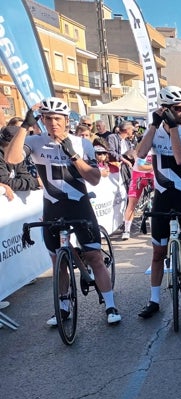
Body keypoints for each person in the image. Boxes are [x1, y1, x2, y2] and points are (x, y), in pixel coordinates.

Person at [4, 97, 122, 324]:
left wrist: (73, 155)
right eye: (47, 118)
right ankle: (63, 306)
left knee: (95, 257)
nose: (53, 123)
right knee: (58, 261)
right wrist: (25, 125)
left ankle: (110, 305)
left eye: (57, 118)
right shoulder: (36, 141)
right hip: (53, 209)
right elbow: (11, 158)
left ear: (67, 120)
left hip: (79, 207)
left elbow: (95, 179)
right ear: (43, 120)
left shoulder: (82, 143)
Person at [135, 86, 181, 319]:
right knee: (158, 253)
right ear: (166, 109)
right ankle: (154, 300)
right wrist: (154, 125)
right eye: (177, 109)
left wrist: (175, 128)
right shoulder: (155, 133)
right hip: (162, 198)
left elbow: (180, 157)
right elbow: (140, 154)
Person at [0, 125, 40, 196]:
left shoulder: (17, 155)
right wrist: (36, 183)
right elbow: (4, 181)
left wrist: (36, 183)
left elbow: (24, 175)